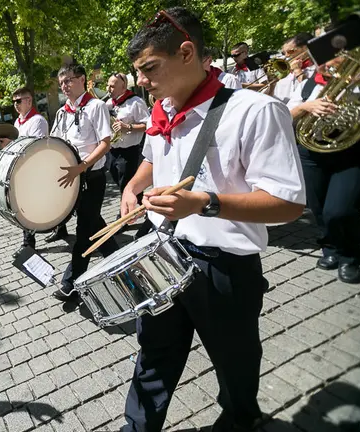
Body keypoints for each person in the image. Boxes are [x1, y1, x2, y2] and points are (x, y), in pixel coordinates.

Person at [120, 8, 306, 431]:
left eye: (149, 68)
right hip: (163, 253)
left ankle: (241, 417)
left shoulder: (255, 111)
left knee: (234, 360)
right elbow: (152, 159)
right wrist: (132, 187)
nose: (142, 82)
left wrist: (205, 203)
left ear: (186, 52)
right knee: (152, 356)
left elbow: (289, 203)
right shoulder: (160, 110)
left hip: (224, 267)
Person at [287, 55, 360, 283]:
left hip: (353, 153)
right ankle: (330, 249)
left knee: (340, 210)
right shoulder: (309, 83)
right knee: (319, 208)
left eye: (337, 58)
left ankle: (350, 257)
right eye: (325, 59)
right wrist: (306, 106)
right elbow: (285, 114)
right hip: (312, 152)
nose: (329, 63)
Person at [49, 63, 120, 301]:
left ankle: (71, 283)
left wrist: (82, 166)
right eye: (61, 83)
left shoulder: (96, 106)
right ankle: (117, 258)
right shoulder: (61, 113)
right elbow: (55, 143)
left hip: (91, 177)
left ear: (82, 79)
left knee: (83, 231)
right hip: (73, 177)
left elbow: (105, 143)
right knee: (94, 225)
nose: (64, 86)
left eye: (68, 80)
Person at [0, 87, 68, 255]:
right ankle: (59, 230)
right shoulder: (18, 122)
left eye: (18, 101)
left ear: (29, 100)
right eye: (14, 101)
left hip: (36, 170)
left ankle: (29, 243)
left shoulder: (37, 121)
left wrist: (11, 143)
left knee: (29, 206)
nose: (15, 104)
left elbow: (35, 148)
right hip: (24, 170)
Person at [104, 73, 150, 201]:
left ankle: (124, 216)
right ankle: (144, 203)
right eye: (108, 85)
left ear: (123, 86)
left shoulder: (136, 102)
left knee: (125, 184)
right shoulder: (108, 103)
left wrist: (127, 127)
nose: (108, 89)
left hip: (129, 151)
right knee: (121, 181)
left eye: (112, 86)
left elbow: (147, 125)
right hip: (112, 150)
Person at [272, 33, 314, 105]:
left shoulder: (316, 67)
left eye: (290, 51)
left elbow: (310, 91)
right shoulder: (283, 69)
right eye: (283, 53)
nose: (286, 56)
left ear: (305, 48)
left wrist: (297, 70)